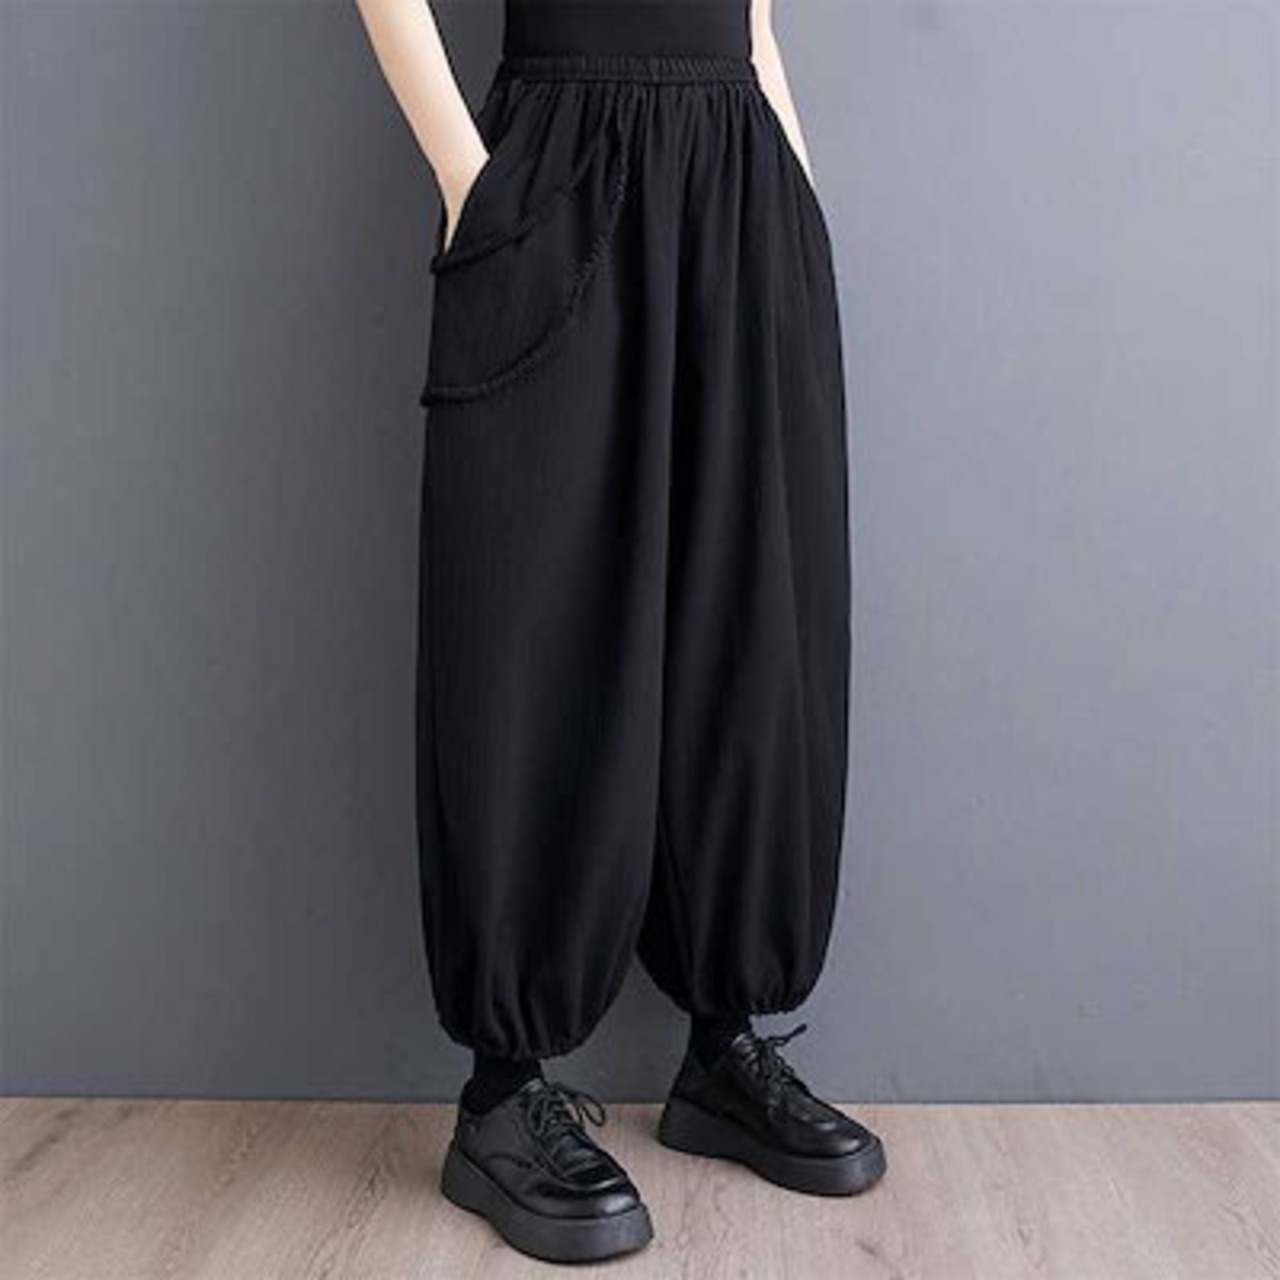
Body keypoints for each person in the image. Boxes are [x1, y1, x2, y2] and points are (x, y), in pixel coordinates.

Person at [354, 0, 887, 1262]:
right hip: (556, 162)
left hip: (740, 173)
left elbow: (751, 14)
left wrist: (793, 198)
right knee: (532, 619)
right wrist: (471, 182)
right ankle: (500, 1094)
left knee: (750, 611)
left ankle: (721, 1047)